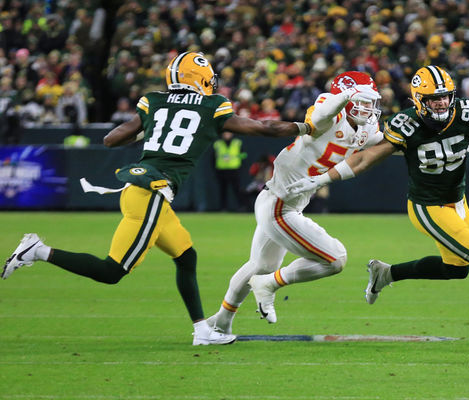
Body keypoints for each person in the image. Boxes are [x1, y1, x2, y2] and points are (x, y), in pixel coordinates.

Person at [2, 51, 311, 346]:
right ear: (198, 77)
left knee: (186, 256)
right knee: (112, 271)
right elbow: (263, 127)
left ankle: (202, 330)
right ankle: (38, 250)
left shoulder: (155, 101)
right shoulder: (212, 105)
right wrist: (305, 127)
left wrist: (150, 131)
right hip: (151, 192)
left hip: (144, 189)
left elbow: (110, 140)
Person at [288, 66, 469, 346]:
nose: (442, 102)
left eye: (445, 96)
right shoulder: (406, 125)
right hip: (428, 207)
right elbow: (365, 159)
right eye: (434, 98)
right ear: (419, 100)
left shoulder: (468, 113)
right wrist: (320, 179)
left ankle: (386, 273)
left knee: (456, 269)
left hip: (458, 201)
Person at [205, 71, 383, 334]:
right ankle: (269, 284)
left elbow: (390, 143)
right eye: (363, 100)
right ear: (345, 98)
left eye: (371, 102)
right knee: (335, 259)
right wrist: (343, 96)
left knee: (261, 265)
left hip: (286, 201)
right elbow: (321, 117)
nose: (368, 108)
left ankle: (219, 322)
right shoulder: (329, 108)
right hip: (281, 203)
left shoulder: (367, 128)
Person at [211, 131, 246, 211]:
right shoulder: (217, 144)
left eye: (228, 133)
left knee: (237, 189)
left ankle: (242, 207)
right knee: (223, 190)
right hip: (221, 170)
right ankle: (223, 208)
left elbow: (244, 155)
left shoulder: (237, 143)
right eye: (225, 133)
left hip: (234, 170)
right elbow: (213, 158)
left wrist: (237, 160)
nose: (226, 135)